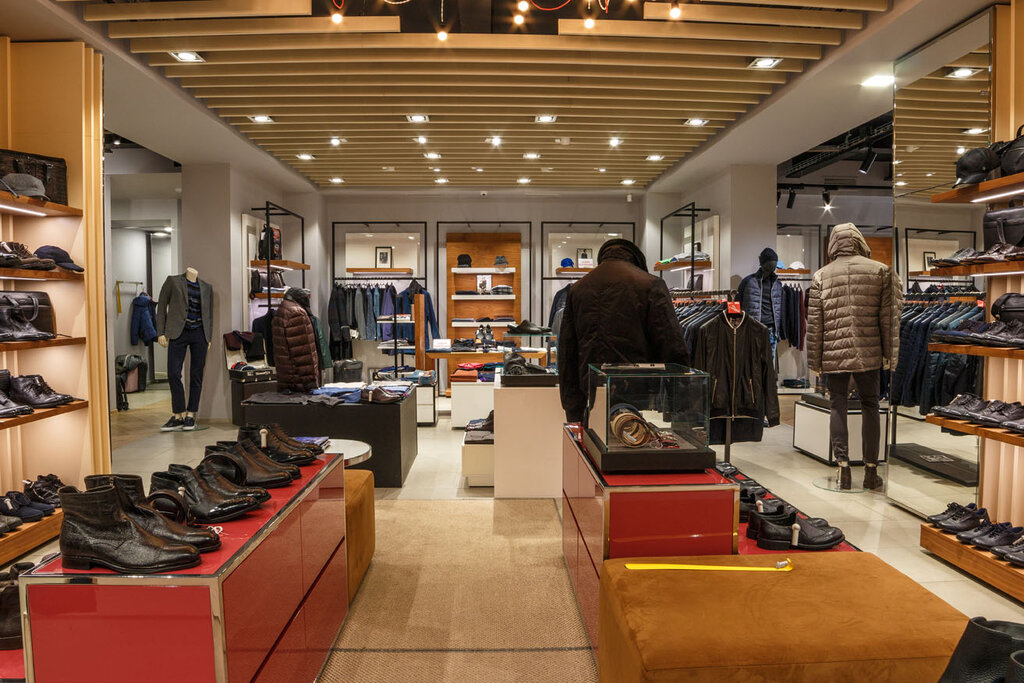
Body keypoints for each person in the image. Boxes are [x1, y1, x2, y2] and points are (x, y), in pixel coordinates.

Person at [807, 223, 902, 490]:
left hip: (833, 353)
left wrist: (814, 361)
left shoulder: (821, 276)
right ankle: (871, 471)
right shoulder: (881, 271)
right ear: (859, 240)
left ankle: (843, 469)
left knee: (837, 404)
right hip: (868, 352)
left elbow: (815, 325)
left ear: (834, 244)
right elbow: (889, 320)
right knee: (870, 405)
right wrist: (889, 355)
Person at [558, 239, 690, 422]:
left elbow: (567, 353)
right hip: (638, 391)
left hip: (592, 388)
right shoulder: (651, 285)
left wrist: (573, 412)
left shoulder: (579, 288)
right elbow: (673, 347)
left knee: (595, 437)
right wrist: (681, 407)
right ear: (636, 259)